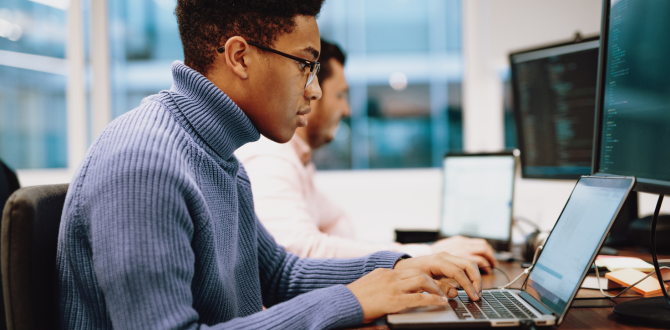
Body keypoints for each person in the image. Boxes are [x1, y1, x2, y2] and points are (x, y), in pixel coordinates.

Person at [56, 1, 483, 329]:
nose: (314, 91)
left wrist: (396, 267)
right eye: (305, 65)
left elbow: (280, 273)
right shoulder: (144, 167)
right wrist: (352, 299)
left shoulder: (217, 153)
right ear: (240, 57)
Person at [236, 39, 498, 271]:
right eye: (340, 95)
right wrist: (426, 255)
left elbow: (337, 224)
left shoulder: (297, 158)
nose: (347, 110)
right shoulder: (270, 157)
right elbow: (301, 252)